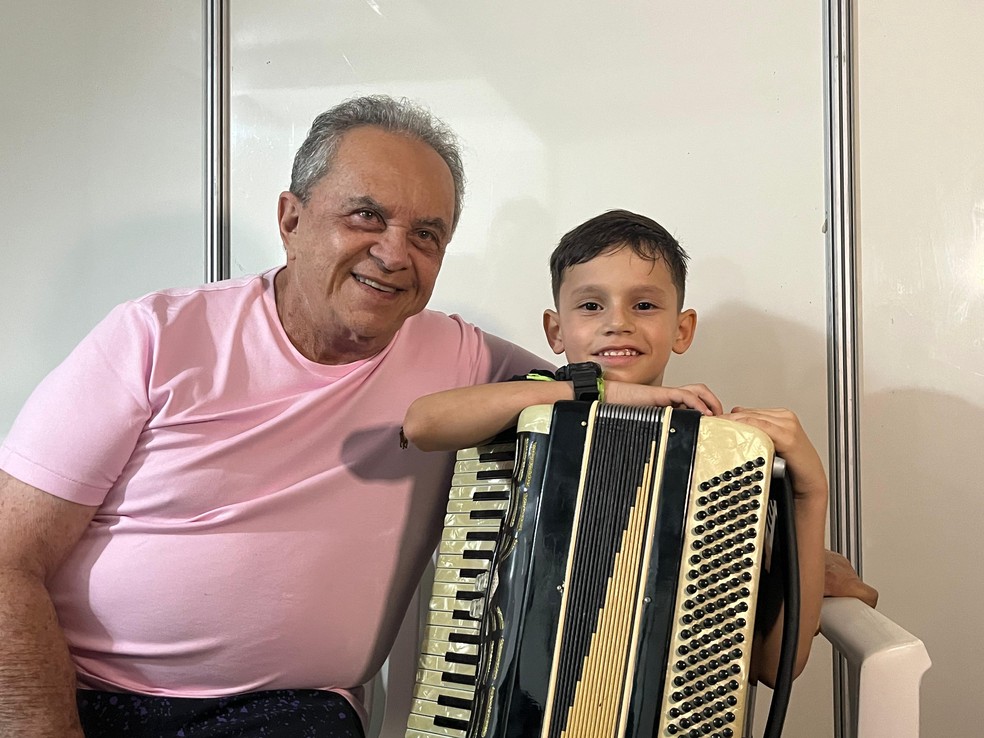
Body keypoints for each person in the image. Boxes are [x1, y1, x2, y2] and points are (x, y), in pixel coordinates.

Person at [0, 95, 579, 738]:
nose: (393, 254)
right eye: (366, 215)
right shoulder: (155, 337)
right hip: (84, 692)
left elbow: (588, 385)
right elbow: (7, 557)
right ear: (291, 218)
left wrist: (702, 418)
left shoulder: (462, 358)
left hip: (292, 710)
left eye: (426, 235)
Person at [402, 209, 830, 685]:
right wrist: (599, 392)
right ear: (555, 331)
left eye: (644, 305)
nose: (617, 323)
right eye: (590, 306)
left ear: (682, 329)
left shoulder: (719, 455)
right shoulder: (524, 407)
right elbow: (423, 423)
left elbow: (777, 666)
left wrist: (810, 496)